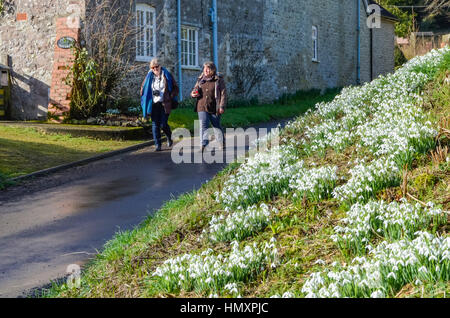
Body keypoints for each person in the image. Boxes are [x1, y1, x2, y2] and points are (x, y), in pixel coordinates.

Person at [141, 58, 179, 151]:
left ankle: (169, 137)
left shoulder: (167, 75)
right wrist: (143, 93)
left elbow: (175, 88)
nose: (155, 69)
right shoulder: (149, 76)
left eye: (156, 67)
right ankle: (158, 145)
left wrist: (171, 95)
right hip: (154, 103)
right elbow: (143, 86)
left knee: (163, 124)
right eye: (152, 68)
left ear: (160, 66)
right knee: (155, 124)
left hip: (164, 103)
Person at [191, 61, 227, 152]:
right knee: (203, 125)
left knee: (216, 125)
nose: (206, 70)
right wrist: (193, 93)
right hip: (202, 105)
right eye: (204, 68)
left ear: (213, 69)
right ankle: (204, 145)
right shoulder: (200, 79)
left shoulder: (218, 79)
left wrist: (222, 106)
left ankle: (221, 142)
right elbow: (195, 89)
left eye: (208, 68)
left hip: (214, 106)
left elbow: (223, 94)